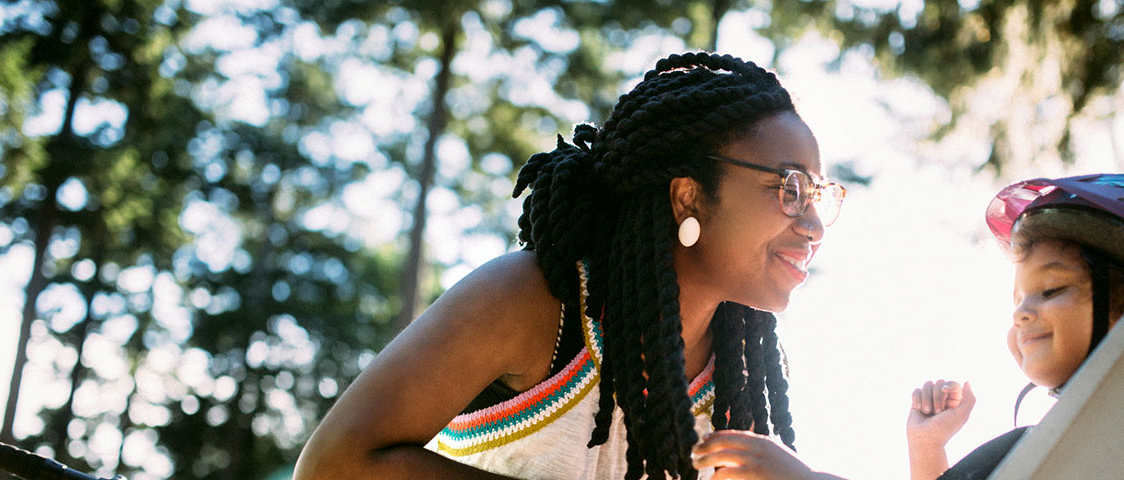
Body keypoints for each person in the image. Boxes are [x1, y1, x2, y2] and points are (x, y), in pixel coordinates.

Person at [292, 51, 847, 480]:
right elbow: (334, 464)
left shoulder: (740, 375)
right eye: (790, 188)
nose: (814, 226)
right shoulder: (533, 303)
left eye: (820, 196)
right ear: (689, 198)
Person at [692, 173, 1124, 480]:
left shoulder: (1091, 448)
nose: (1022, 312)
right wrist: (929, 450)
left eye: (1051, 291)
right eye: (1018, 297)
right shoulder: (1105, 441)